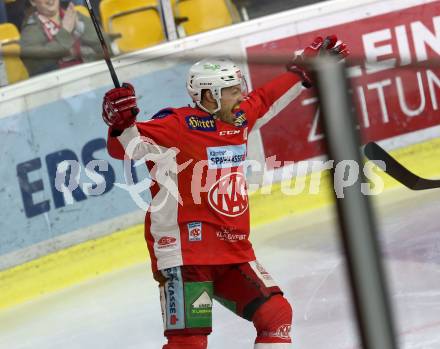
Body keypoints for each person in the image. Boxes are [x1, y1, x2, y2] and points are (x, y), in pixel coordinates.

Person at [102, 36, 348, 348]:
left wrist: (301, 72)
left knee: (275, 316)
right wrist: (121, 123)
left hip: (233, 252)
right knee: (189, 344)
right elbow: (127, 148)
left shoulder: (238, 120)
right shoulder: (176, 124)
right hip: (184, 254)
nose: (241, 95)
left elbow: (265, 98)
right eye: (232, 91)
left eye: (239, 87)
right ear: (208, 96)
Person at [20, 0, 109, 77]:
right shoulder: (30, 30)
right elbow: (36, 66)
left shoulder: (74, 16)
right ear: (33, 2)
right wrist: (65, 31)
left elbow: (106, 45)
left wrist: (80, 31)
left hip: (90, 77)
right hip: (60, 88)